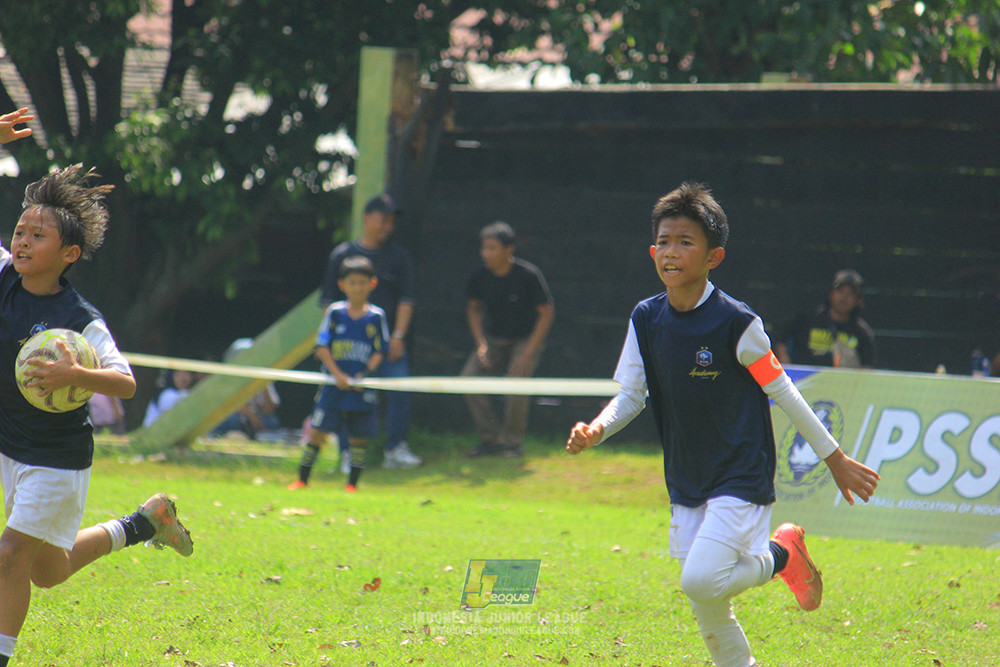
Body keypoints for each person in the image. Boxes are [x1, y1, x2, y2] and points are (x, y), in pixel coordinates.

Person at [566, 182, 880, 667]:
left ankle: (782, 555)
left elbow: (785, 393)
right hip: (686, 476)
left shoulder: (736, 323)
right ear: (653, 251)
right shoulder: (645, 319)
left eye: (685, 242)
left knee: (699, 580)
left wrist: (834, 459)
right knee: (708, 607)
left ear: (714, 257)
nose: (672, 252)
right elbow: (632, 395)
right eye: (665, 242)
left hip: (741, 474)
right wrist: (597, 429)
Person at [0, 163, 193, 667]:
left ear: (69, 254)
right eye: (20, 231)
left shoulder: (81, 320)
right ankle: (144, 523)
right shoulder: (4, 276)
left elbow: (125, 382)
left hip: (56, 458)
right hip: (10, 447)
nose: (22, 241)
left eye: (37, 236)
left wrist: (75, 376)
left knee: (9, 558)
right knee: (49, 571)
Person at [319, 193, 421, 469]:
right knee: (343, 395)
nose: (388, 226)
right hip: (348, 349)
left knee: (399, 389)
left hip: (386, 346)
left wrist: (397, 336)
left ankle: (395, 449)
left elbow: (407, 300)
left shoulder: (400, 257)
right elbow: (327, 304)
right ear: (366, 219)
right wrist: (332, 343)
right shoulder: (341, 255)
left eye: (392, 222)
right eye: (383, 220)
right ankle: (346, 455)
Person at [291, 256, 389, 492]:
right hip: (333, 385)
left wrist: (363, 376)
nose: (358, 287)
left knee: (358, 438)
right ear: (342, 284)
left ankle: (352, 485)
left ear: (372, 284)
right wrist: (338, 376)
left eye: (362, 282)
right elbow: (322, 347)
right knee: (317, 433)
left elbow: (380, 350)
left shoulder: (376, 316)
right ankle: (302, 480)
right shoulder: (334, 313)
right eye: (352, 282)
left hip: (361, 388)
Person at [464, 221, 555, 458]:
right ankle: (490, 440)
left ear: (509, 249)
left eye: (492, 248)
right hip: (493, 340)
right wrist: (481, 344)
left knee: (517, 381)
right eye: (484, 248)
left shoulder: (528, 274)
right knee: (468, 379)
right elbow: (473, 309)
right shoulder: (479, 275)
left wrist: (527, 355)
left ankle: (513, 444)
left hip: (524, 340)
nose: (486, 254)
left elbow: (546, 313)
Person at [774, 269, 876, 368]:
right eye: (840, 291)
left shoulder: (862, 332)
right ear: (831, 293)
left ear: (858, 300)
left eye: (850, 293)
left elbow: (868, 366)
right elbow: (781, 338)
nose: (844, 297)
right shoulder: (808, 320)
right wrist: (786, 364)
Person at [209, 338, 282, 439]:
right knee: (232, 420)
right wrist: (251, 415)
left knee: (271, 421)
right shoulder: (226, 378)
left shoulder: (261, 376)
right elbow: (230, 404)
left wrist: (264, 383)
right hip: (233, 418)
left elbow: (269, 410)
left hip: (255, 420)